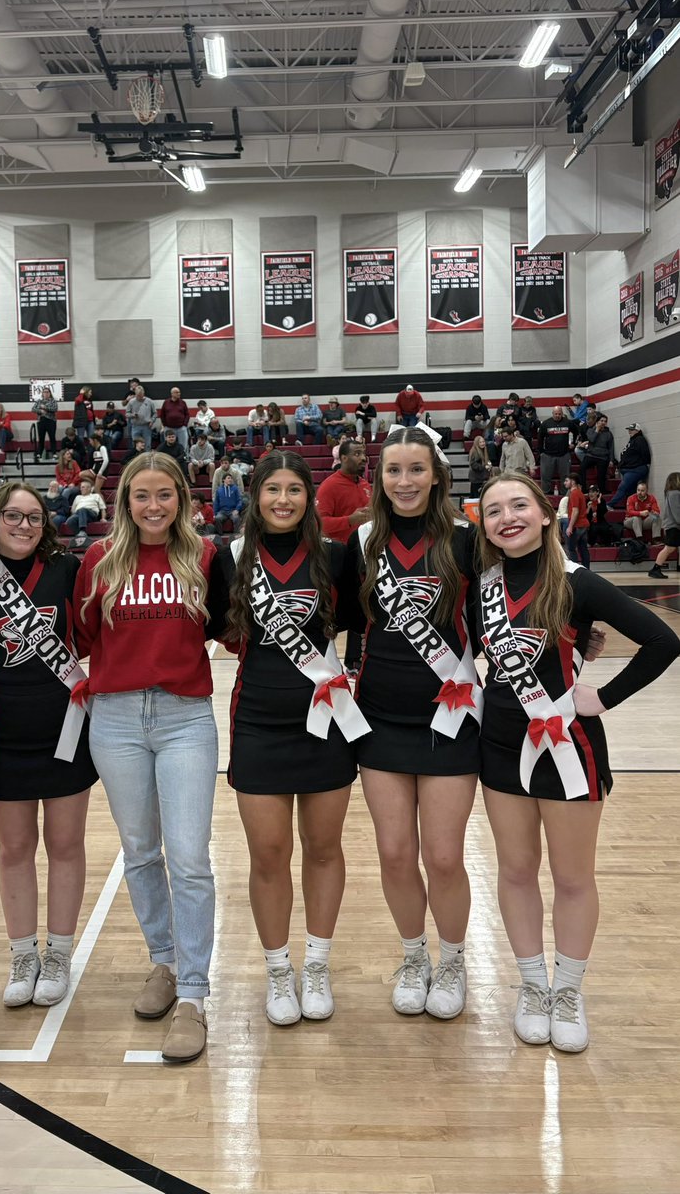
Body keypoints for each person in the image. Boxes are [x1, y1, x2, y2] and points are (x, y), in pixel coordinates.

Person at [475, 473, 679, 1051]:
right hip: (501, 744)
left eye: (519, 506)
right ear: (484, 525)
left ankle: (568, 990)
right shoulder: (481, 585)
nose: (507, 517)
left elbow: (664, 642)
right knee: (514, 871)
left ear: (545, 514)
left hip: (570, 745)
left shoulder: (577, 581)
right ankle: (533, 986)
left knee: (571, 877)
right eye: (494, 511)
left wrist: (602, 696)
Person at [208, 451, 369, 1026]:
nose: (282, 499)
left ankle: (317, 964)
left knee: (325, 850)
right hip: (256, 721)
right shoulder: (228, 559)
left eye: (293, 490)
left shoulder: (335, 556)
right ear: (254, 496)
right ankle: (279, 970)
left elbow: (368, 622)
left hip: (325, 723)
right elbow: (210, 627)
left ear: (308, 497)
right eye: (271, 488)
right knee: (268, 854)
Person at [75, 452, 219, 1064]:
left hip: (186, 717)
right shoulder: (98, 560)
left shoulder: (206, 557)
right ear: (125, 501)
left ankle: (193, 994)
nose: (154, 506)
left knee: (188, 858)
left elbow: (226, 629)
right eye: (142, 496)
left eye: (165, 495)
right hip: (114, 719)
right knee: (139, 852)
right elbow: (84, 638)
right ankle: (161, 962)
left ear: (181, 499)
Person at [346, 424, 482, 1021]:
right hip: (380, 719)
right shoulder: (363, 539)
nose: (404, 482)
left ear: (437, 475)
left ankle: (453, 960)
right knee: (396, 853)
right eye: (394, 471)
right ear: (380, 476)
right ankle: (415, 956)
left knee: (446, 856)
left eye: (416, 470)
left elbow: (497, 616)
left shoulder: (467, 539)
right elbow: (348, 622)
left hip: (451, 718)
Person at [0, 482, 97, 1010]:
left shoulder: (68, 571)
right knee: (14, 849)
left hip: (65, 729)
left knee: (65, 845)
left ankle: (59, 953)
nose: (24, 526)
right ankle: (23, 953)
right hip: (5, 732)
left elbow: (92, 637)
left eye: (35, 518)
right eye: (14, 516)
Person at [316, 440, 371, 675]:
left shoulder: (367, 485)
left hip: (364, 557)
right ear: (344, 458)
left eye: (364, 453)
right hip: (338, 560)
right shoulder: (329, 486)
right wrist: (349, 520)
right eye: (357, 454)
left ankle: (355, 662)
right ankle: (321, 662)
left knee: (363, 611)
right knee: (334, 614)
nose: (363, 458)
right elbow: (319, 524)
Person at [607, 424, 652, 508]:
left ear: (637, 431)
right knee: (630, 492)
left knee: (622, 487)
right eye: (629, 429)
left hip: (635, 469)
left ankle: (610, 505)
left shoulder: (639, 439)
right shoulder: (632, 440)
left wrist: (645, 465)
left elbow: (645, 454)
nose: (629, 431)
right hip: (630, 469)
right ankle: (631, 510)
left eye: (632, 429)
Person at [538, 406, 576, 494]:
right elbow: (540, 438)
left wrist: (574, 443)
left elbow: (576, 432)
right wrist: (541, 452)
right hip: (548, 455)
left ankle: (565, 494)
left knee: (565, 477)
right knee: (545, 476)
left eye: (559, 414)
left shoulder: (568, 422)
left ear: (562, 414)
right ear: (552, 414)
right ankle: (545, 494)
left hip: (564, 454)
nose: (558, 415)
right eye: (556, 414)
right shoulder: (546, 423)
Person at [649, 472, 680, 579]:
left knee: (669, 548)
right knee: (669, 549)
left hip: (673, 525)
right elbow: (677, 512)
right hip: (674, 526)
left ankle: (655, 569)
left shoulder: (671, 493)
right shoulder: (675, 493)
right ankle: (655, 569)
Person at [65, 479, 107, 547]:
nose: (81, 489)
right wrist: (72, 517)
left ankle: (82, 531)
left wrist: (103, 518)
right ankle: (81, 537)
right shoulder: (78, 497)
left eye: (83, 487)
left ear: (89, 488)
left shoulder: (96, 496)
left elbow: (103, 509)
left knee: (82, 509)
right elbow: (73, 511)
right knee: (70, 520)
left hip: (91, 514)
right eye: (81, 487)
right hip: (79, 514)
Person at [579, 415, 615, 493]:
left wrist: (611, 460)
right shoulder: (590, 430)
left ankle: (602, 490)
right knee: (582, 468)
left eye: (605, 421)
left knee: (601, 474)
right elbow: (591, 439)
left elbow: (611, 447)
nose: (603, 423)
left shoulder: (609, 434)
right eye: (601, 421)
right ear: (597, 422)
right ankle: (583, 488)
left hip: (603, 457)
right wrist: (597, 430)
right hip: (591, 455)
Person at [563, 475, 590, 568]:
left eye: (566, 481)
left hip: (577, 525)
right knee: (583, 550)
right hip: (584, 524)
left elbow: (575, 510)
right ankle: (587, 571)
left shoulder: (574, 493)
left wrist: (570, 526)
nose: (564, 483)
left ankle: (574, 572)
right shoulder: (580, 493)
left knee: (571, 550)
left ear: (573, 482)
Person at [31, 386, 59, 461]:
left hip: (51, 421)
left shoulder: (53, 401)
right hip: (41, 421)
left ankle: (54, 453)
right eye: (44, 392)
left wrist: (45, 407)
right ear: (42, 393)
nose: (46, 394)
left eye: (47, 392)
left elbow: (55, 409)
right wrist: (40, 411)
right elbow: (33, 409)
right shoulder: (39, 401)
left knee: (52, 437)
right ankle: (39, 453)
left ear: (50, 393)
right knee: (41, 438)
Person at [161, 387, 191, 454]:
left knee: (183, 445)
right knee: (168, 445)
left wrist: (184, 425)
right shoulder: (166, 402)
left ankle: (183, 457)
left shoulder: (183, 402)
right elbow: (162, 414)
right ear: (172, 394)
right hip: (169, 428)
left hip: (181, 428)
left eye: (179, 392)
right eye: (177, 392)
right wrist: (165, 424)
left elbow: (187, 414)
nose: (179, 394)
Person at [126, 385, 157, 449]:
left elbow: (155, 413)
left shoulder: (149, 401)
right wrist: (133, 415)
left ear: (144, 393)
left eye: (141, 395)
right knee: (135, 446)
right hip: (135, 426)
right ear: (135, 394)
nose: (139, 397)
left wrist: (152, 421)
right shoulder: (131, 402)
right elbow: (127, 414)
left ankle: (147, 458)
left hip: (146, 426)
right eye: (138, 396)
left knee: (147, 445)